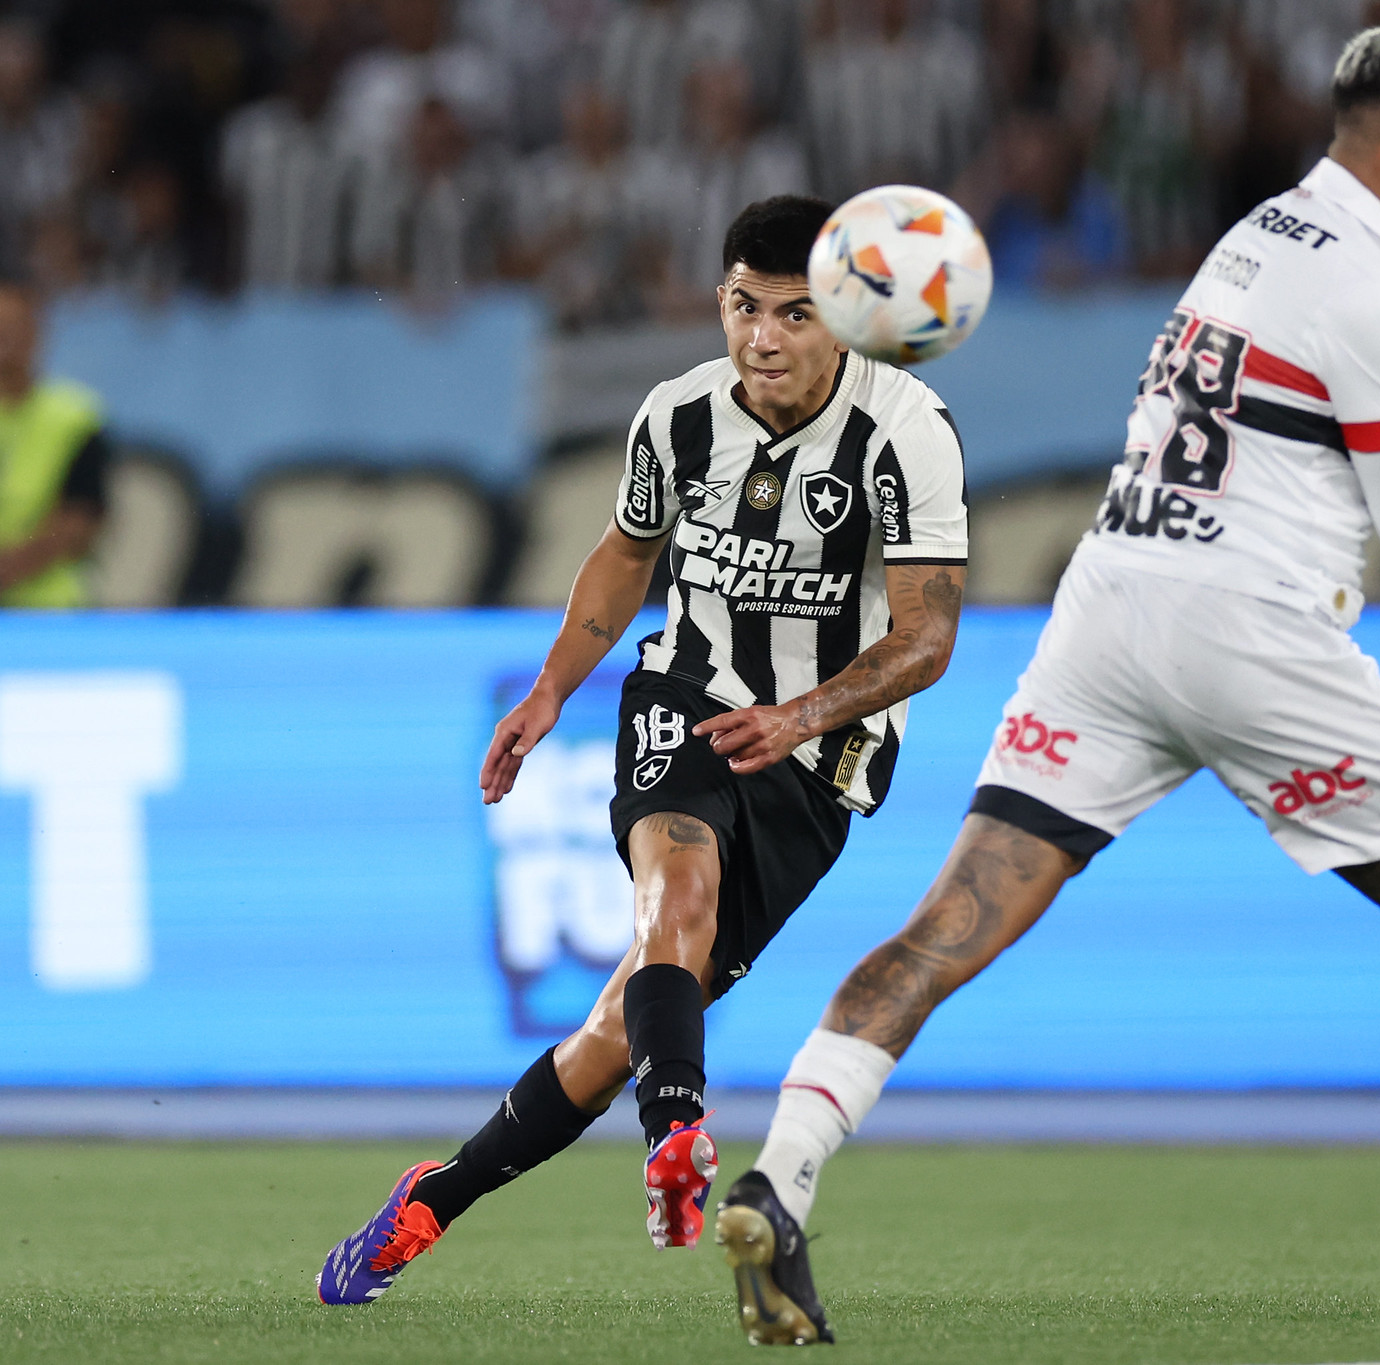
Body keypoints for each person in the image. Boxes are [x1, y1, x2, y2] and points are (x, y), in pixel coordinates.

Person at [717, 25, 1380, 1346]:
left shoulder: (1258, 234)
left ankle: (779, 1179)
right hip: (1248, 626)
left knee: (951, 922)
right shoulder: (1376, 291)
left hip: (1109, 606)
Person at [316, 194, 971, 1307]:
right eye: (742, 306)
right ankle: (678, 1140)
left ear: (847, 317)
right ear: (718, 302)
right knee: (675, 885)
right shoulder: (676, 416)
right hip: (686, 688)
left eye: (795, 314)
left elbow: (927, 636)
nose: (762, 337)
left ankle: (438, 1194)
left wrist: (800, 716)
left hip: (816, 761)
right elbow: (626, 558)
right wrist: (547, 691)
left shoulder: (905, 429)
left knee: (621, 1024)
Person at [0, 282, 111, 609]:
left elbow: (78, 523)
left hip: (51, 611)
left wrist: (7, 571)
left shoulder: (76, 416)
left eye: (15, 327)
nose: (6, 339)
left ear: (38, 333)